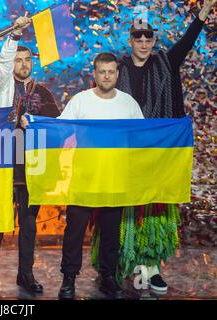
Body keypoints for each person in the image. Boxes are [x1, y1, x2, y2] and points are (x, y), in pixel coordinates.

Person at [113, 0, 216, 292]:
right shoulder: (117, 70)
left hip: (159, 152)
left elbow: (186, 41)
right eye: (138, 37)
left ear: (154, 40)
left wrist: (202, 15)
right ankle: (131, 263)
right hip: (129, 152)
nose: (143, 42)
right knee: (130, 209)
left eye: (148, 37)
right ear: (130, 40)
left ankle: (153, 266)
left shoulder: (166, 63)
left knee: (156, 208)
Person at [56, 53, 144, 300]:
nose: (106, 76)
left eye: (111, 71)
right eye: (102, 71)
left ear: (117, 73)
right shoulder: (80, 101)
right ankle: (69, 279)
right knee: (73, 232)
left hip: (114, 179)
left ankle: (108, 277)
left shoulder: (128, 103)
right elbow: (59, 129)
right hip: (83, 179)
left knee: (110, 234)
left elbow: (142, 137)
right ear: (94, 74)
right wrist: (32, 124)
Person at [0, 14, 60, 295]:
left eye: (27, 60)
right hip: (4, 165)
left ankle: (26, 274)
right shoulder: (3, 87)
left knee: (30, 227)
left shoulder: (43, 92)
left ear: (32, 63)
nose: (23, 64)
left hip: (32, 169)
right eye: (18, 60)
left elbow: (57, 127)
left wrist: (33, 124)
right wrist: (16, 36)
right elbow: (3, 64)